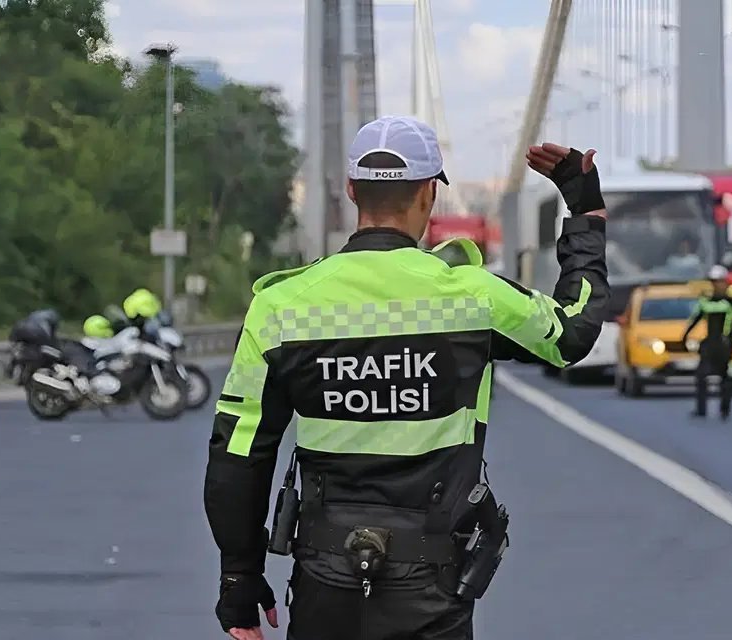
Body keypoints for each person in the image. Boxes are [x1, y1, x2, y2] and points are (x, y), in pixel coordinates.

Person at [203, 115, 610, 640]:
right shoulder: (473, 298)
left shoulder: (280, 307)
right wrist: (584, 214)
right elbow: (572, 332)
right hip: (432, 583)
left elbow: (238, 453)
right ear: (428, 195)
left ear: (352, 191)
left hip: (325, 580)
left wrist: (239, 577)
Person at [681, 265, 732, 420]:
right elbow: (695, 319)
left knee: (726, 378)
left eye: (719, 281)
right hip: (710, 343)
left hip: (725, 343)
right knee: (701, 377)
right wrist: (685, 336)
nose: (716, 284)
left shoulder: (731, 301)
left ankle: (725, 410)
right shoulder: (706, 302)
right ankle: (701, 410)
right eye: (714, 281)